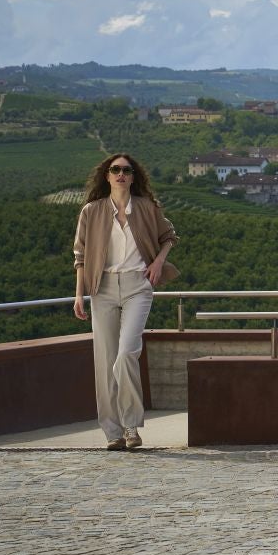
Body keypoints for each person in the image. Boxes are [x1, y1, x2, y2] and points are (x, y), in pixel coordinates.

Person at [72, 153, 178, 451]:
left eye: (126, 170)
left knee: (127, 352)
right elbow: (79, 256)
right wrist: (79, 294)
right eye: (115, 169)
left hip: (137, 286)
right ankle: (113, 432)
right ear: (106, 176)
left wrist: (158, 262)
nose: (120, 174)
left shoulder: (146, 207)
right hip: (101, 287)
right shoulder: (91, 212)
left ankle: (131, 426)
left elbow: (169, 236)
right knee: (104, 362)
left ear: (133, 176)